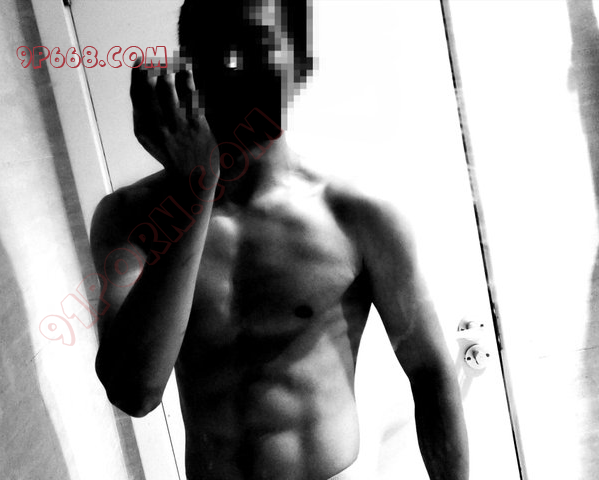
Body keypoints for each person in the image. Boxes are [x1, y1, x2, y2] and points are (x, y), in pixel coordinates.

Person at [91, 1, 469, 479]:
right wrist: (196, 186)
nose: (231, 66)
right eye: (212, 50)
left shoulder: (357, 213)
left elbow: (430, 373)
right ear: (188, 68)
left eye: (255, 45)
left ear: (300, 64)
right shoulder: (129, 218)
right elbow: (134, 392)